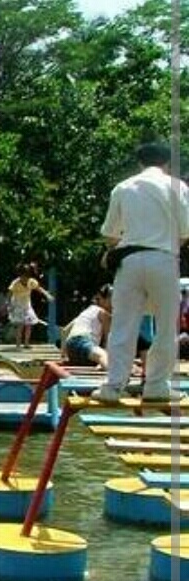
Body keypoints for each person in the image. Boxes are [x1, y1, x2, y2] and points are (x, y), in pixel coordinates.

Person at [93, 142, 189, 403]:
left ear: (140, 163)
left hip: (130, 260)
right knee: (166, 326)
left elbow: (110, 235)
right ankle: (157, 385)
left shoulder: (123, 187)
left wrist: (114, 252)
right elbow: (184, 234)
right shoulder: (178, 187)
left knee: (124, 324)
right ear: (167, 163)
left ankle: (113, 386)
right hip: (164, 259)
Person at [7, 263, 53, 348]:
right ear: (19, 276)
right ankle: (18, 344)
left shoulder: (31, 282)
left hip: (27, 305)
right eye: (22, 277)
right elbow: (9, 293)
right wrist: (8, 304)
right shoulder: (15, 283)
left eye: (26, 277)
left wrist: (47, 295)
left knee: (29, 325)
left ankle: (26, 343)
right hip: (17, 305)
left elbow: (39, 288)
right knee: (20, 326)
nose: (24, 279)